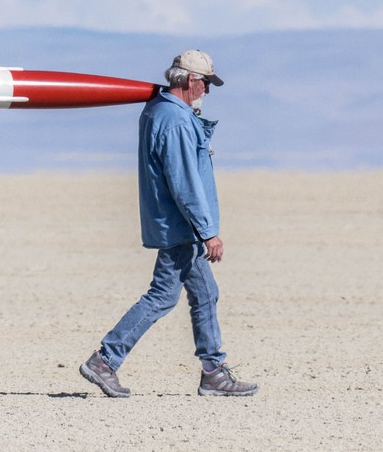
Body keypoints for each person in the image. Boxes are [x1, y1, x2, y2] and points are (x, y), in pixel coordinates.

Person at [80, 49, 258, 398]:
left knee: (206, 293)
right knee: (162, 296)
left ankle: (213, 371)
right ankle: (105, 360)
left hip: (179, 224)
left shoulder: (162, 111)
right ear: (191, 80)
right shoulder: (174, 120)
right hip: (180, 226)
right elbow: (184, 181)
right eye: (206, 83)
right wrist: (208, 232)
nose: (208, 90)